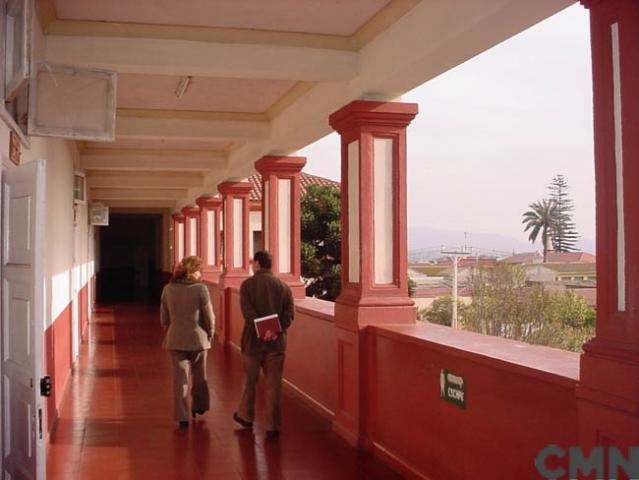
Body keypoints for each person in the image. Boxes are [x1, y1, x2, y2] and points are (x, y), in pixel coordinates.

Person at [233, 250, 295, 438]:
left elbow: (248, 313)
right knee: (273, 385)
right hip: (276, 344)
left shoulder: (247, 285)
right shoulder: (283, 286)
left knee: (250, 382)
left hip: (252, 343)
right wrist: (273, 331)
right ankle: (272, 426)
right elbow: (289, 315)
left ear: (258, 263)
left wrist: (262, 330)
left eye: (253, 262)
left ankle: (246, 416)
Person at [160, 256, 215, 429]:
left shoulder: (168, 289)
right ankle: (198, 407)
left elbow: (164, 317)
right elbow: (209, 316)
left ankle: (182, 416)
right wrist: (210, 332)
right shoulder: (201, 289)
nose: (201, 274)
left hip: (175, 339)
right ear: (192, 271)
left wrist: (170, 330)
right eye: (199, 270)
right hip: (198, 340)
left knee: (180, 378)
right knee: (199, 376)